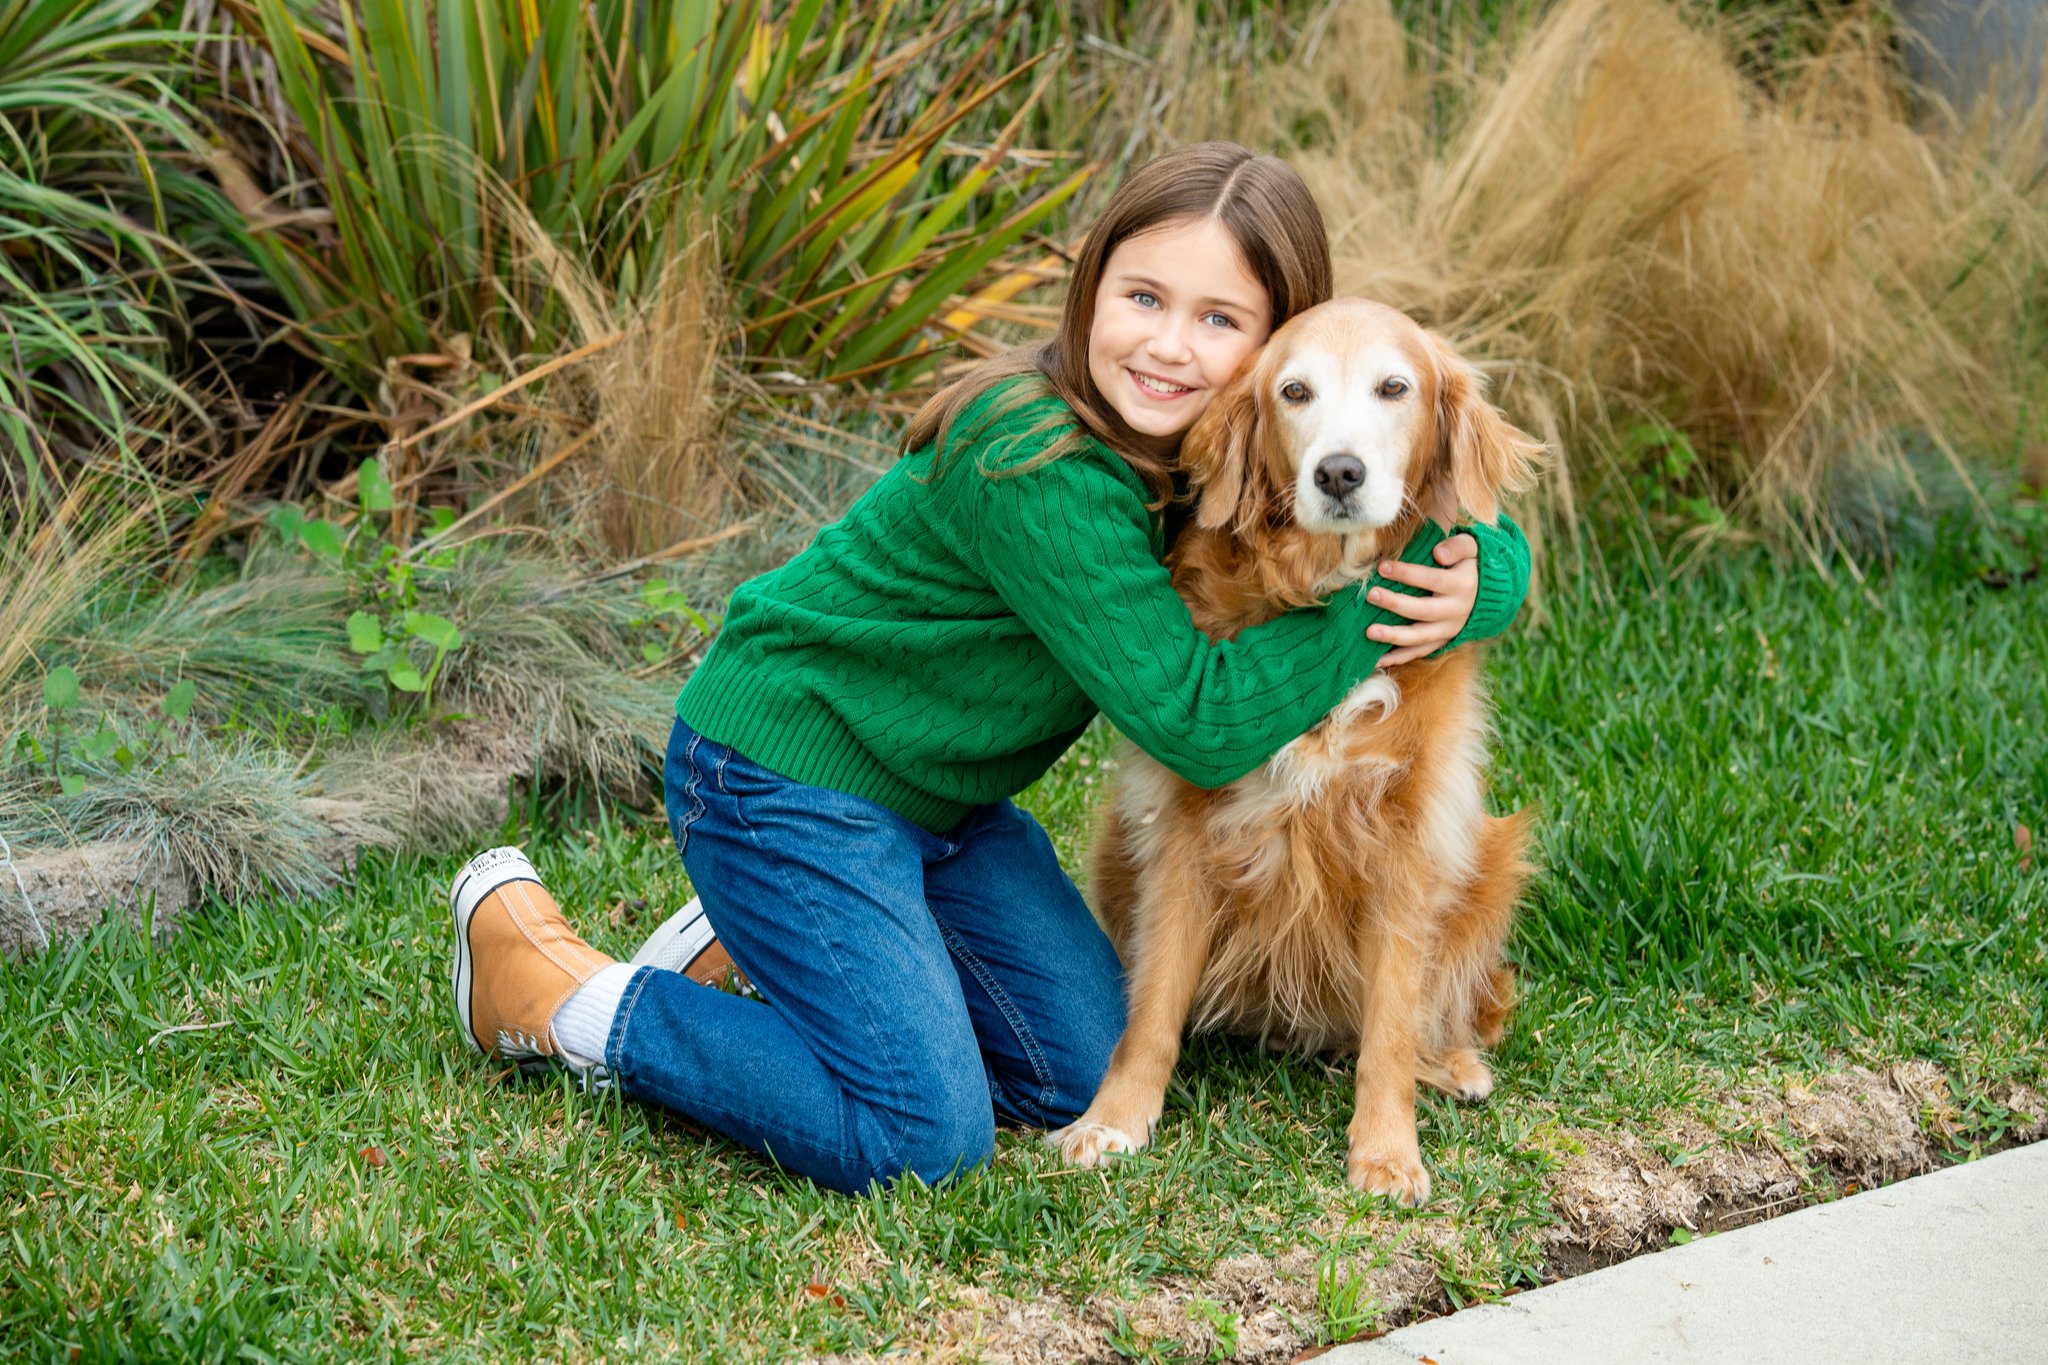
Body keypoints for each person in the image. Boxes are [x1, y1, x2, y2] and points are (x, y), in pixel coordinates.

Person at [448, 141, 1533, 1196]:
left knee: (1071, 1066)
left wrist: (1485, 574)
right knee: (920, 1135)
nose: (1165, 345)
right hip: (782, 777)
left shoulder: (1201, 455)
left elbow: (1451, 489)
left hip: (942, 808)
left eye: (1216, 320)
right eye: (1140, 297)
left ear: (1267, 347)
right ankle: (560, 990)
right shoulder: (1026, 458)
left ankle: (774, 942)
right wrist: (1387, 609)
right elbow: (1195, 725)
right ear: (1088, 291)